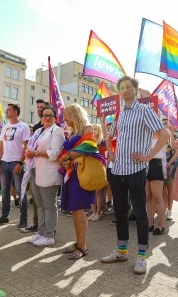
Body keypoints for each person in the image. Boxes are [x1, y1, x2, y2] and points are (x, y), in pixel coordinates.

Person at [100, 76, 169, 275]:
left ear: (136, 90)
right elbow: (110, 136)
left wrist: (148, 156)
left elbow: (164, 135)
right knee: (120, 212)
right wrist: (110, 146)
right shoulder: (119, 113)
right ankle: (121, 251)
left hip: (136, 170)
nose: (125, 90)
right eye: (122, 88)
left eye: (129, 87)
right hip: (117, 168)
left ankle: (141, 256)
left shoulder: (145, 110)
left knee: (140, 214)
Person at [58, 103, 101, 260]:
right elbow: (68, 152)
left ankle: (82, 246)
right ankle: (78, 242)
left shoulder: (86, 129)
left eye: (66, 116)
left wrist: (67, 157)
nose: (64, 119)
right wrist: (63, 160)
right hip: (72, 173)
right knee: (74, 210)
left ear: (73, 114)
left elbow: (90, 147)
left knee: (79, 209)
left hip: (82, 173)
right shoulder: (73, 131)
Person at [24, 107, 65, 246]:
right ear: (41, 118)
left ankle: (49, 235)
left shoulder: (57, 130)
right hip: (35, 169)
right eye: (44, 115)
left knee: (49, 204)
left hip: (49, 171)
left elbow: (55, 153)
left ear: (55, 118)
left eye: (50, 115)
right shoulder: (38, 131)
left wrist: (35, 153)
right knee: (40, 204)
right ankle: (41, 232)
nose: (47, 118)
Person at [0, 104, 30, 229]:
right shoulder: (6, 127)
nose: (6, 111)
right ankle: (4, 217)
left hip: (16, 163)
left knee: (20, 192)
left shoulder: (23, 127)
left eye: (8, 110)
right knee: (4, 191)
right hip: (4, 163)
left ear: (15, 112)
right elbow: (1, 145)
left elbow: (26, 146)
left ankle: (23, 220)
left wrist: (20, 162)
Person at [21, 99, 48, 233]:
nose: (39, 109)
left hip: (47, 167)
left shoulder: (55, 127)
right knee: (36, 198)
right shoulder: (37, 127)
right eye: (38, 107)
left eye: (42, 107)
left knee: (47, 200)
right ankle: (37, 223)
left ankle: (49, 227)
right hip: (34, 166)